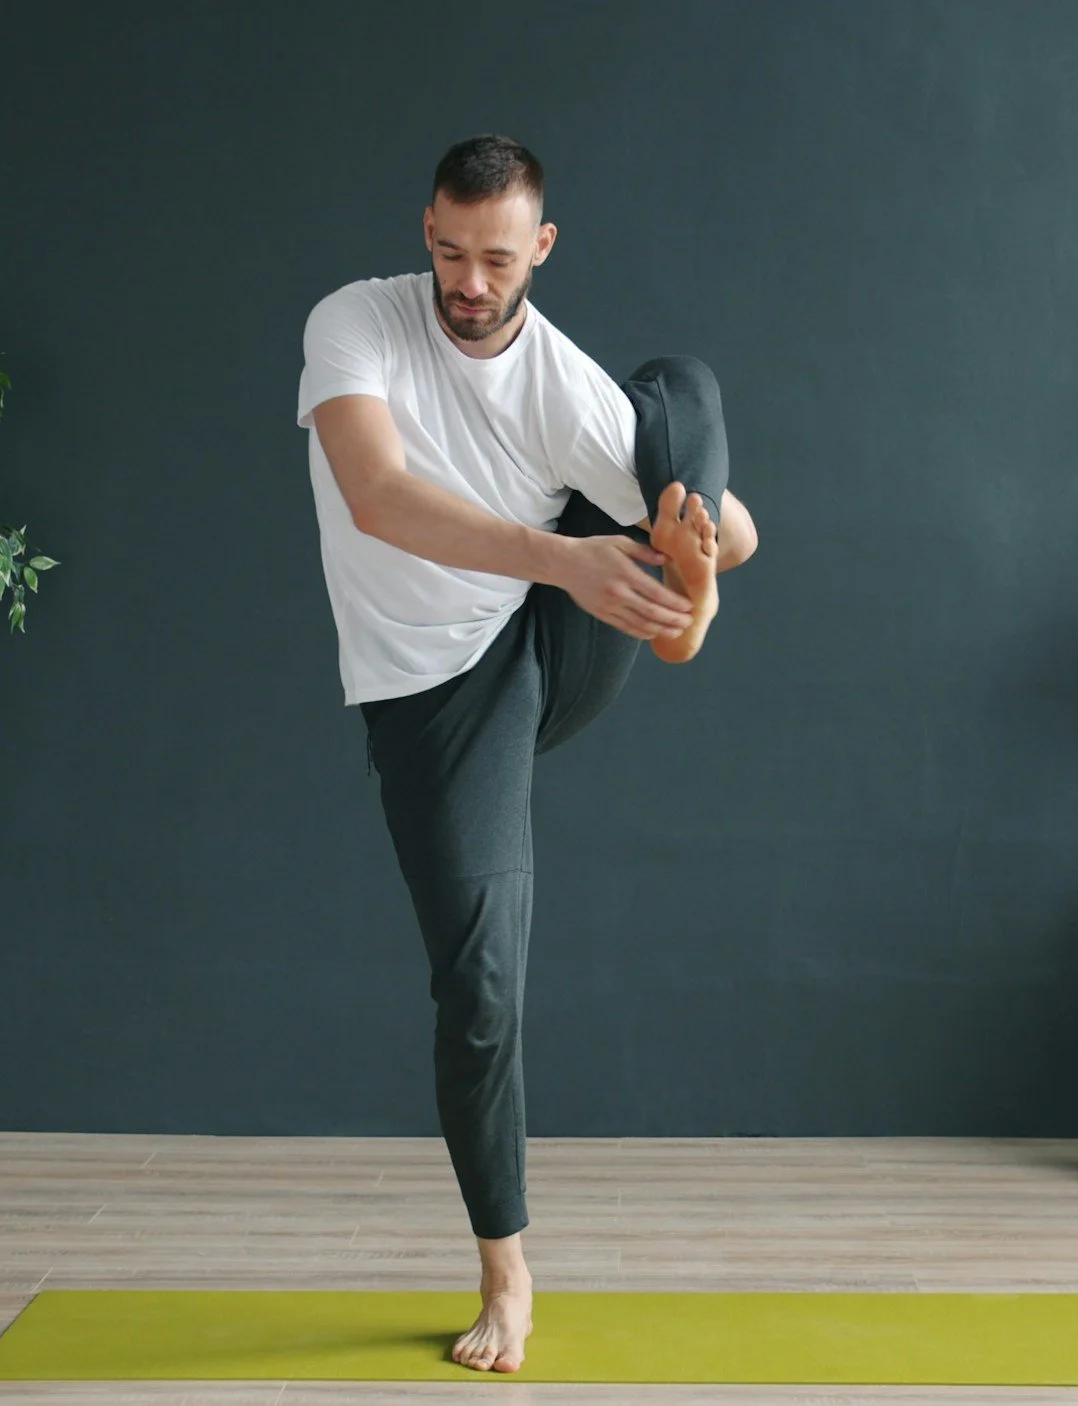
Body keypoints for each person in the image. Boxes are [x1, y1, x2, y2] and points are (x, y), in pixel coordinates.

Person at [295, 134, 759, 1373]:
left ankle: (686, 608)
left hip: (562, 636)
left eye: (496, 258)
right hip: (438, 695)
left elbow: (742, 525)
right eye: (448, 250)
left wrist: (684, 536)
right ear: (426, 232)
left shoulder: (559, 378)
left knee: (682, 387)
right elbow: (377, 494)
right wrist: (575, 556)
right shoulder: (356, 325)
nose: (467, 280)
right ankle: (508, 1272)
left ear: (539, 248)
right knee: (481, 985)